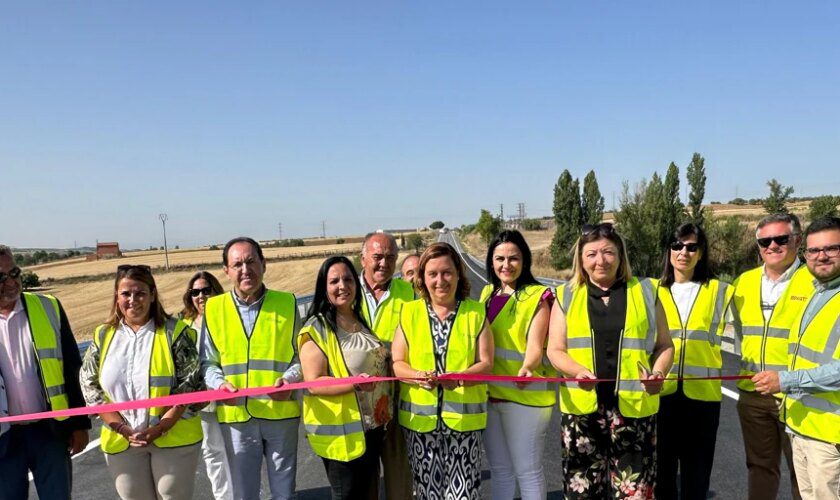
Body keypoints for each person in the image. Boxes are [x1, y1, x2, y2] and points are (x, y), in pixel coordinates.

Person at [546, 223, 674, 499]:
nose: (600, 261)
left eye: (608, 252)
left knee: (636, 494)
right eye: (591, 254)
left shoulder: (648, 291)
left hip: (634, 412)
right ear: (581, 259)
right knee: (583, 493)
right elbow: (555, 350)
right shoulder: (565, 295)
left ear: (621, 256)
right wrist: (577, 370)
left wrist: (659, 373)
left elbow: (665, 346)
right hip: (581, 413)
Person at [79, 264, 205, 500]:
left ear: (153, 295)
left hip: (173, 436)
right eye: (126, 293)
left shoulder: (174, 332)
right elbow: (90, 385)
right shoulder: (103, 335)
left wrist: (159, 428)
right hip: (122, 441)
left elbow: (189, 384)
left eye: (140, 293)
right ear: (117, 297)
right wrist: (122, 428)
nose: (133, 300)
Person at [200, 237, 302, 500]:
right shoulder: (214, 309)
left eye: (251, 261)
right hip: (236, 418)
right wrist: (219, 385)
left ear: (263, 264)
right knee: (243, 493)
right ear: (226, 271)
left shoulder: (288, 304)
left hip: (280, 413)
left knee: (284, 492)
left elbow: (300, 358)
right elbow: (208, 362)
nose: (245, 270)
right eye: (237, 264)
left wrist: (289, 381)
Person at [392, 242, 494, 500]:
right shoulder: (409, 312)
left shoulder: (475, 312)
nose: (440, 280)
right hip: (420, 423)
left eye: (447, 272)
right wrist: (416, 376)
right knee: (428, 492)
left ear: (459, 274)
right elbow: (398, 363)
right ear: (422, 278)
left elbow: (486, 363)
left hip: (464, 423)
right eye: (432, 274)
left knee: (463, 493)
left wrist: (461, 379)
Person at [753, 216, 840, 500]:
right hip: (802, 427)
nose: (821, 256)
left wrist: (786, 381)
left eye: (831, 248)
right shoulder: (817, 292)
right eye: (814, 251)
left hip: (830, 437)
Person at [731, 213, 812, 500]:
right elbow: (738, 331)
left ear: (798, 241)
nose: (772, 246)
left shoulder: (815, 281)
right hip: (753, 394)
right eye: (765, 241)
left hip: (799, 395)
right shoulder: (744, 282)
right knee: (760, 468)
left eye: (781, 239)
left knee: (805, 474)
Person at [0, 245, 91, 500]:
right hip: (3, 439)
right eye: (1, 277)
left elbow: (72, 367)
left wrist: (80, 423)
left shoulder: (48, 307)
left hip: (50, 432)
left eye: (14, 272)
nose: (11, 282)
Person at [299, 256, 392, 500]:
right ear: (324, 288)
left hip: (372, 430)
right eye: (334, 281)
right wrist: (353, 385)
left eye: (348, 279)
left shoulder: (360, 320)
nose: (343, 285)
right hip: (342, 434)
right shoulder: (316, 328)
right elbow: (314, 382)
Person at [654, 224, 734, 499]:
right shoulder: (651, 290)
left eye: (691, 247)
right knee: (661, 475)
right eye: (677, 245)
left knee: (696, 478)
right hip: (660, 396)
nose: (683, 252)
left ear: (701, 253)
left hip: (702, 398)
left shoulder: (722, 291)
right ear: (668, 251)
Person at [478, 230, 554, 500]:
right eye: (499, 258)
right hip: (491, 394)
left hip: (524, 396)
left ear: (525, 260)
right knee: (500, 471)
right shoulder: (487, 293)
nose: (506, 265)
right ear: (491, 261)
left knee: (527, 471)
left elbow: (535, 345)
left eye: (513, 258)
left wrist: (530, 366)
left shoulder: (537, 296)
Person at [358, 232, 414, 498]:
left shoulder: (410, 293)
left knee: (398, 475)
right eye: (377, 257)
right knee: (363, 475)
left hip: (397, 396)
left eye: (391, 257)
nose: (384, 263)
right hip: (357, 400)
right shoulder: (346, 290)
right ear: (363, 258)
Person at [180, 271, 231, 500]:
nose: (201, 296)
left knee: (238, 451)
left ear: (216, 290)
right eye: (195, 292)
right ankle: (223, 496)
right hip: (203, 402)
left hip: (230, 394)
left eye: (206, 290)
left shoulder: (229, 319)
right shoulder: (185, 326)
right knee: (213, 452)